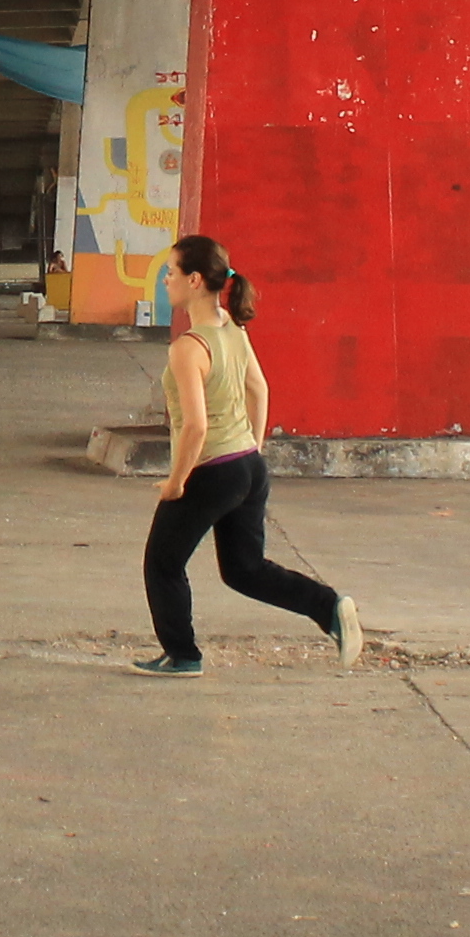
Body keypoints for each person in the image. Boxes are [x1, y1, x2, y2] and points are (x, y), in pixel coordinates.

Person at [135, 232, 360, 677]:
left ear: (195, 280)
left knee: (162, 563)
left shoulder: (188, 348)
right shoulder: (233, 329)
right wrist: (251, 449)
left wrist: (177, 482)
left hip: (211, 470)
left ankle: (183, 655)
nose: (166, 281)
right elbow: (260, 390)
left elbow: (196, 427)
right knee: (244, 569)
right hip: (246, 467)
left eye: (171, 273)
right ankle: (329, 607)